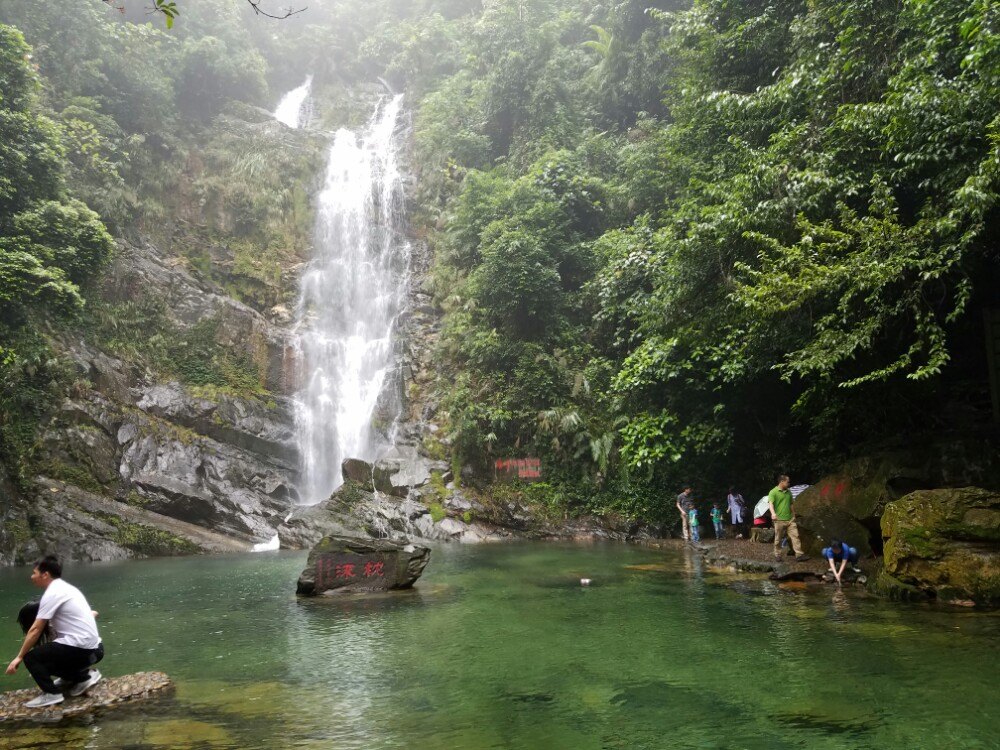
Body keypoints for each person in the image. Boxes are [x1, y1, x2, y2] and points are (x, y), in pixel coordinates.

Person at [5, 555, 104, 708]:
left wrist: (19, 657)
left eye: (34, 573)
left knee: (32, 658)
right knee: (48, 658)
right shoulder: (67, 588)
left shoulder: (52, 594)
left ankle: (53, 694)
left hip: (82, 649)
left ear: (45, 574)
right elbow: (91, 613)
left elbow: (35, 629)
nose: (32, 577)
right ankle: (77, 678)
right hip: (93, 648)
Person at [768, 475, 810, 562]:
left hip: (790, 519)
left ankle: (799, 555)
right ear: (781, 482)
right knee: (778, 539)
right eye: (787, 482)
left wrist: (794, 515)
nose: (789, 483)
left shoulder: (789, 492)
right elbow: (770, 504)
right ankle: (778, 555)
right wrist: (773, 513)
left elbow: (791, 504)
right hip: (779, 519)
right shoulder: (773, 492)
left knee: (795, 536)